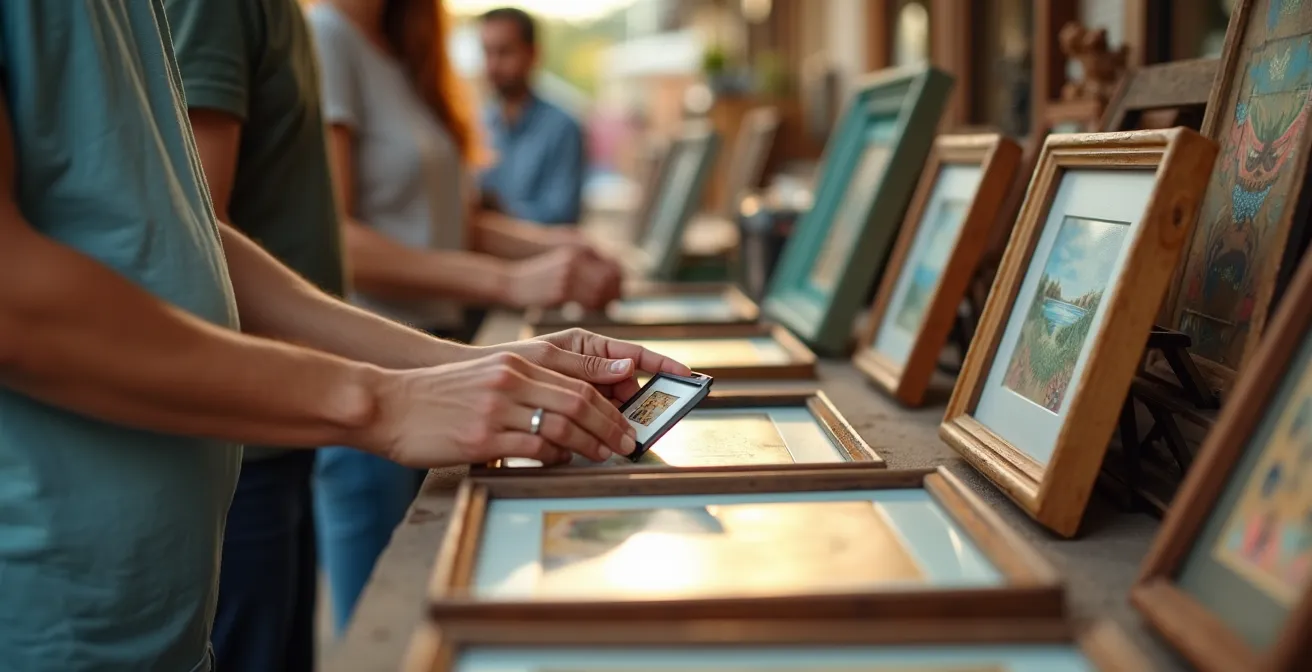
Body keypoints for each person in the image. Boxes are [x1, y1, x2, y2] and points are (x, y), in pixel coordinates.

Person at [0, 3, 688, 670]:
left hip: (160, 602)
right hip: (51, 605)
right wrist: (383, 401)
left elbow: (182, 235)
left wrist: (470, 361)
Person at [304, 0, 627, 636]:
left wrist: (556, 248)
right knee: (385, 631)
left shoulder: (402, 54)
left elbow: (456, 223)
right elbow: (335, 240)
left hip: (443, 364)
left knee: (434, 610)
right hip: (379, 366)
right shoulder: (328, 37)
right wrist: (511, 280)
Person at [478, 6, 587, 226]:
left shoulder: (562, 127)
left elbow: (561, 216)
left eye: (504, 52)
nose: (493, 66)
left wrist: (498, 210)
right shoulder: (479, 124)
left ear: (533, 54)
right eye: (487, 52)